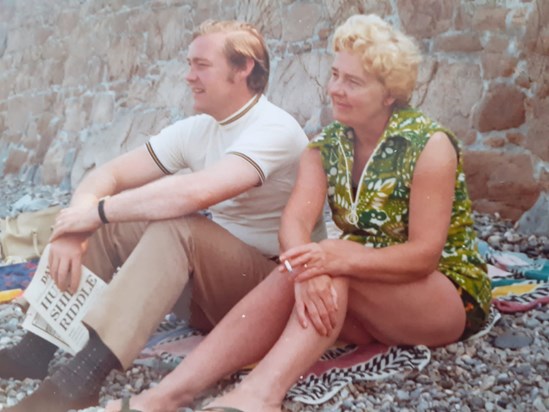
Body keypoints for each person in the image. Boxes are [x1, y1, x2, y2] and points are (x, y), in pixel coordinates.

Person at [104, 14, 492, 412]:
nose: (336, 90)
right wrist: (308, 270)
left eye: (352, 82)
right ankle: (167, 395)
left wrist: (333, 259)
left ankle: (259, 395)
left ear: (389, 93)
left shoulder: (428, 145)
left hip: (443, 294)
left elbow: (423, 256)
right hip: (364, 291)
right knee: (303, 267)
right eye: (336, 75)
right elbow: (294, 224)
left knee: (333, 266)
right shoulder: (325, 146)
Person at [0, 19, 325, 412]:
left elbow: (197, 191)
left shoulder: (275, 129)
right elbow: (108, 174)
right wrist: (76, 226)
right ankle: (34, 350)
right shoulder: (199, 129)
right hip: (212, 294)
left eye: (201, 65)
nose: (188, 76)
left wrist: (96, 212)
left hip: (266, 295)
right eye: (189, 64)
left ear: (245, 68)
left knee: (173, 225)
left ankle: (81, 378)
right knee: (110, 218)